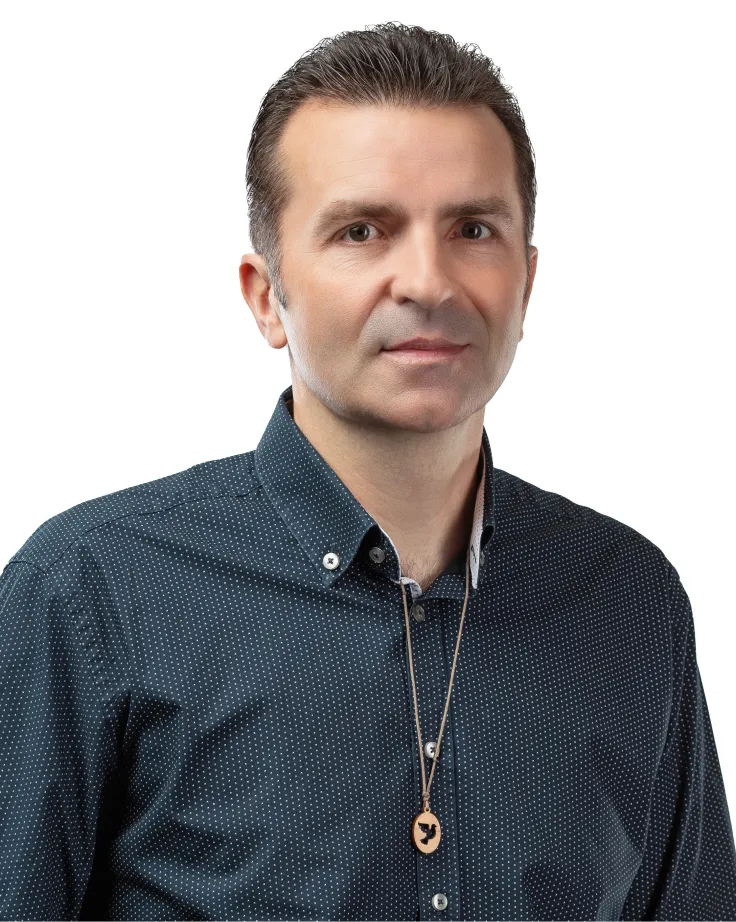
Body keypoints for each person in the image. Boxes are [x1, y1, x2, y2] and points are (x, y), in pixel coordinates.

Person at [1, 21, 734, 922]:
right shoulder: (91, 591)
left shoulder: (629, 600)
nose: (428, 280)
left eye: (473, 228)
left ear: (528, 281)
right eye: (361, 231)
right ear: (267, 296)